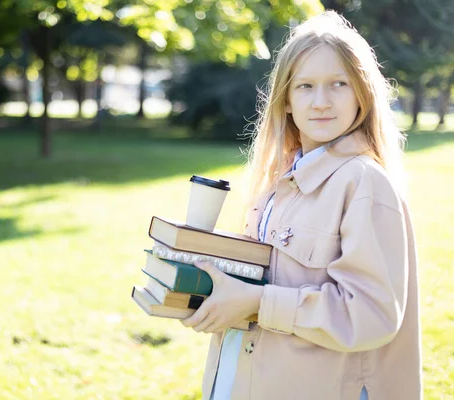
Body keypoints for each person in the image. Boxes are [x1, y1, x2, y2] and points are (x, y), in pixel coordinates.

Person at [181, 11, 422, 400]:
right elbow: (274, 274)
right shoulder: (281, 179)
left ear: (361, 93)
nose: (321, 101)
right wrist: (210, 279)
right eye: (306, 86)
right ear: (287, 100)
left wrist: (257, 302)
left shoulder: (363, 183)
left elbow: (371, 315)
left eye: (338, 84)